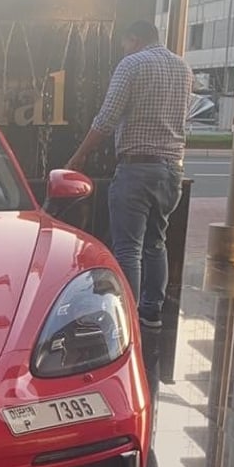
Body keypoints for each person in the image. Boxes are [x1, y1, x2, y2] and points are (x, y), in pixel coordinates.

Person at [63, 20, 193, 329]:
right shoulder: (184, 69)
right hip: (171, 169)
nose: (122, 49)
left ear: (133, 39)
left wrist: (78, 157)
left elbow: (107, 118)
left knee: (128, 247)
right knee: (156, 242)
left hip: (137, 167)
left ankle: (127, 318)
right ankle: (151, 313)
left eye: (124, 43)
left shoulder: (132, 64)